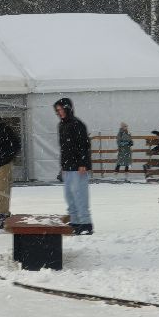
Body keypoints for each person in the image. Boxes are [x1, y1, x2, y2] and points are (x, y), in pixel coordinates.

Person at [53, 97, 93, 234]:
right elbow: (64, 148)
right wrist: (63, 166)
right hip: (67, 166)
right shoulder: (61, 125)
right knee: (69, 195)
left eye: (61, 109)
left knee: (80, 195)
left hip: (79, 167)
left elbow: (84, 145)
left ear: (67, 108)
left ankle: (86, 223)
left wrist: (83, 163)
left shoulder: (77, 124)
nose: (59, 112)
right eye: (57, 110)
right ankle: (75, 221)